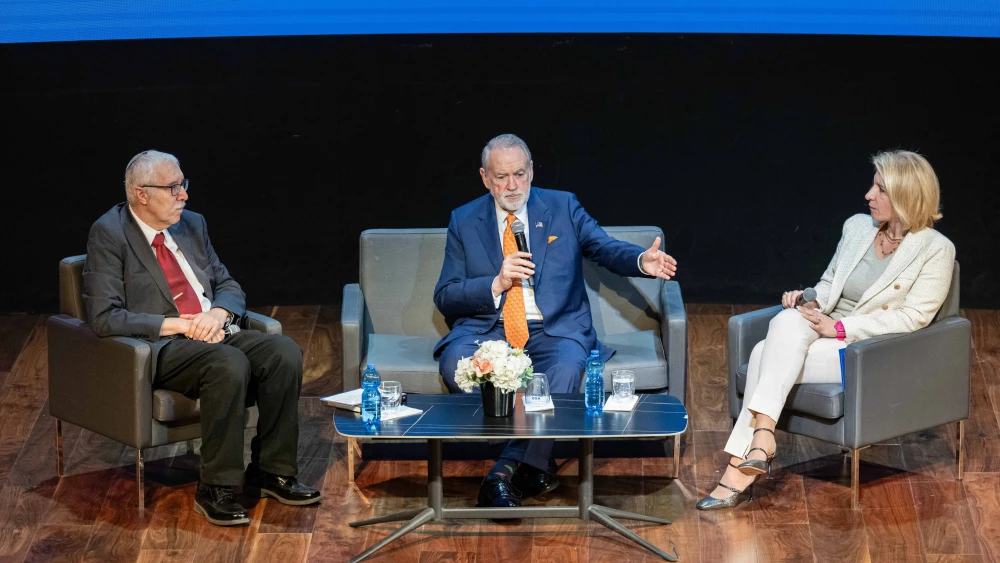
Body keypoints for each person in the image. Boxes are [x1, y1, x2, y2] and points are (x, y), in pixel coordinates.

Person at [697, 150, 955, 510]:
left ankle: (742, 465)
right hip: (824, 328)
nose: (868, 195)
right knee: (787, 319)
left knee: (760, 354)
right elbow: (830, 283)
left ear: (906, 197)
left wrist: (841, 327)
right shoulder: (857, 227)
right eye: (873, 186)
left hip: (865, 348)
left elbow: (913, 317)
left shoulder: (936, 250)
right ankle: (762, 439)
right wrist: (808, 299)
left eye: (880, 189)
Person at [434, 134, 679, 509]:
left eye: (519, 174)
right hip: (489, 330)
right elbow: (446, 294)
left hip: (554, 330)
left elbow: (603, 247)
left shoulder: (562, 206)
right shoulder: (464, 220)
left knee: (564, 369)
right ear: (485, 178)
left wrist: (639, 261)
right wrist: (496, 283)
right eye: (501, 177)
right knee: (456, 363)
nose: (512, 185)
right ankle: (535, 463)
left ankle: (501, 474)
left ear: (532, 171)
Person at [83, 150, 321, 526]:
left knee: (283, 352)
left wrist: (217, 314)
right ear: (142, 194)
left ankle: (271, 471)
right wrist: (180, 324)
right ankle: (216, 487)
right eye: (173, 187)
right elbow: (105, 317)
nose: (184, 195)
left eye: (183, 184)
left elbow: (228, 284)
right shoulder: (110, 234)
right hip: (163, 346)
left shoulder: (192, 224)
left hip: (214, 331)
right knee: (228, 363)